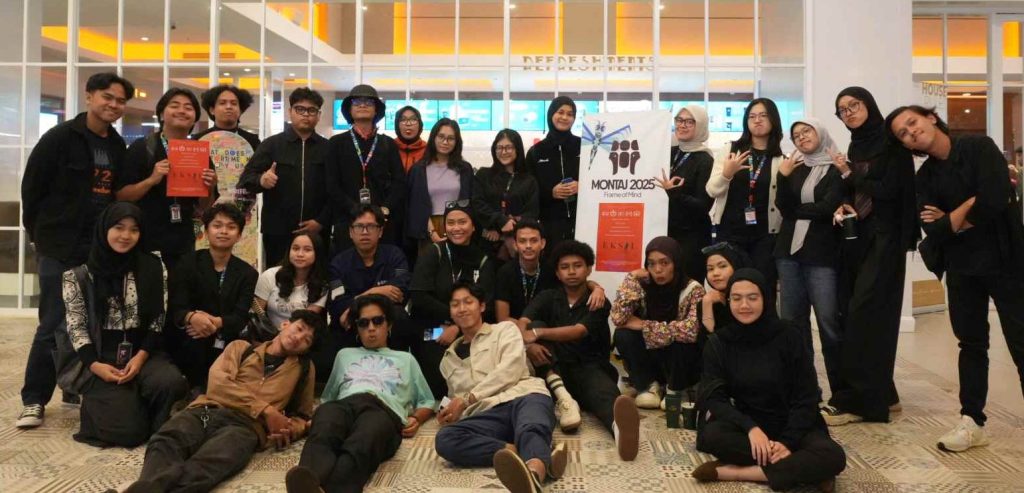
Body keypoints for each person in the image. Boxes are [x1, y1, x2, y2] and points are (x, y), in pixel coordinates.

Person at [887, 105, 1024, 452]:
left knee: (1021, 341)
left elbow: (995, 199)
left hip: (1007, 260)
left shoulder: (978, 147)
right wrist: (964, 209)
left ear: (931, 118)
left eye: (912, 122)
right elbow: (934, 231)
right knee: (971, 344)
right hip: (962, 268)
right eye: (903, 133)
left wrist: (950, 219)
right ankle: (972, 421)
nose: (911, 132)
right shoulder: (924, 177)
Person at [18, 72, 135, 428]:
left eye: (120, 101)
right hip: (60, 244)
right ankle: (34, 399)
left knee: (92, 320)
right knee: (54, 321)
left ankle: (74, 385)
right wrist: (40, 236)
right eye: (107, 97)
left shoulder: (116, 146)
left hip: (97, 248)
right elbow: (32, 189)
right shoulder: (60, 138)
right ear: (89, 96)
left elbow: (117, 194)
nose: (113, 105)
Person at [118, 310, 321, 493]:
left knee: (215, 460)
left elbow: (302, 415)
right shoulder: (240, 347)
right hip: (206, 410)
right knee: (166, 440)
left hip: (245, 426)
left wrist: (288, 429)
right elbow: (218, 384)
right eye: (299, 328)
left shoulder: (303, 369)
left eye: (307, 340)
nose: (298, 338)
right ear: (284, 324)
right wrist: (266, 410)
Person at [693, 269, 846, 492]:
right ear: (728, 301)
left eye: (752, 298)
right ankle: (804, 472)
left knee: (833, 456)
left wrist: (787, 442)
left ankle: (739, 472)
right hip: (748, 426)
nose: (744, 305)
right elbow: (714, 398)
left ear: (765, 298)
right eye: (736, 298)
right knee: (712, 436)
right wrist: (751, 428)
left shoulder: (789, 335)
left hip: (793, 422)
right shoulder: (720, 342)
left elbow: (807, 396)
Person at [821, 87, 918, 426]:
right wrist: (845, 202)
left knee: (867, 316)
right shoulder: (856, 145)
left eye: (854, 105)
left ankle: (862, 403)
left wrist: (850, 174)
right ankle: (884, 394)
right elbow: (859, 190)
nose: (848, 112)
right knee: (859, 315)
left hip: (886, 239)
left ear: (869, 105)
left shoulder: (893, 144)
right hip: (859, 239)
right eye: (842, 110)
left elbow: (890, 190)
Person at [60, 202, 187, 447]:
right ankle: (106, 407)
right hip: (101, 357)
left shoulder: (153, 266)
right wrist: (95, 365)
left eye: (134, 229)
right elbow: (77, 328)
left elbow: (157, 319)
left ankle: (140, 410)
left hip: (142, 353)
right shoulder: (78, 276)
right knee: (127, 433)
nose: (126, 236)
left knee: (170, 383)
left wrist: (140, 357)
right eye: (119, 227)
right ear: (104, 229)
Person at [285, 295, 435, 493]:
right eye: (363, 323)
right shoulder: (344, 355)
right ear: (357, 328)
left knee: (363, 439)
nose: (371, 328)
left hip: (382, 409)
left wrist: (417, 418)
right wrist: (316, 418)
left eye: (377, 321)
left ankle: (329, 489)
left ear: (389, 325)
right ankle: (309, 480)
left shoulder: (406, 359)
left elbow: (427, 400)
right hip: (344, 405)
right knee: (325, 427)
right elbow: (329, 398)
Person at [433, 282, 566, 493]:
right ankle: (521, 451)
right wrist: (446, 411)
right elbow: (454, 396)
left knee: (531, 426)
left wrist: (468, 399)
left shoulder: (505, 330)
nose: (462, 308)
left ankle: (533, 475)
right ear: (450, 311)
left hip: (524, 394)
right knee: (445, 439)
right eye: (455, 304)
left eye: (468, 302)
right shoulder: (447, 360)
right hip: (488, 413)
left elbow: (510, 370)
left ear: (482, 306)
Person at [516, 240, 641, 460]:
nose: (572, 271)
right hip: (554, 368)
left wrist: (538, 334)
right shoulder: (548, 297)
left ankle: (621, 431)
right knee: (533, 402)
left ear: (589, 268)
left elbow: (578, 331)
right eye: (565, 267)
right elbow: (523, 322)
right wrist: (530, 344)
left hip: (588, 367)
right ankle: (562, 400)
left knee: (605, 396)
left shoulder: (598, 301)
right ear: (557, 273)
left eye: (578, 265)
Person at [773, 118, 845, 397]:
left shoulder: (837, 166)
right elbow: (783, 206)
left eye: (807, 131)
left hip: (822, 255)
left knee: (828, 323)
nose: (801, 137)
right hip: (788, 253)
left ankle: (841, 392)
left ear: (820, 133)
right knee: (793, 325)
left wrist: (798, 211)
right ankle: (804, 389)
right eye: (796, 135)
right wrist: (782, 177)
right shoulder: (794, 168)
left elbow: (828, 207)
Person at [116, 88, 217, 271]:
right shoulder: (143, 148)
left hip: (183, 240)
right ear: (162, 114)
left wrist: (209, 187)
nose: (182, 111)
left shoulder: (198, 152)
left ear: (194, 118)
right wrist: (151, 180)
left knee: (180, 287)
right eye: (175, 106)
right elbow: (121, 196)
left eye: (188, 108)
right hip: (145, 238)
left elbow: (204, 208)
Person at [410, 200, 497, 397]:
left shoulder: (482, 259)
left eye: (462, 222)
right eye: (450, 223)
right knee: (438, 378)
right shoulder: (434, 252)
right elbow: (419, 296)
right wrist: (452, 320)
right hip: (433, 330)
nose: (456, 228)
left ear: (473, 226)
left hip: (469, 330)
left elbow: (487, 304)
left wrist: (457, 326)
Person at [167, 203, 258, 390]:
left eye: (231, 227)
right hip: (190, 336)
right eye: (217, 226)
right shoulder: (187, 263)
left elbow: (240, 317)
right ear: (207, 231)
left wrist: (214, 323)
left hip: (227, 339)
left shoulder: (248, 273)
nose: (223, 231)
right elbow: (176, 305)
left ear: (239, 235)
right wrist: (192, 317)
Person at [239, 87, 331, 267]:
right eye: (300, 109)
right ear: (290, 111)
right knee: (277, 276)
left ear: (319, 115)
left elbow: (335, 189)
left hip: (317, 231)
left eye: (311, 110)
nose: (306, 114)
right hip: (278, 231)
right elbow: (246, 179)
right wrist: (261, 180)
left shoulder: (328, 148)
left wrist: (321, 221)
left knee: (317, 277)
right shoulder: (272, 145)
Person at [612, 237, 706, 410]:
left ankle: (676, 390)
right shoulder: (643, 285)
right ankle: (649, 386)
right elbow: (618, 318)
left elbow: (691, 331)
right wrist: (631, 278)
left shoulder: (694, 289)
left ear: (676, 263)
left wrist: (645, 325)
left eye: (664, 263)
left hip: (680, 362)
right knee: (622, 334)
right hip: (653, 357)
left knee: (682, 341)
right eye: (651, 264)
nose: (658, 270)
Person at [706, 98, 784, 303]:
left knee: (762, 289)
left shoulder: (780, 159)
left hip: (764, 236)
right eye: (752, 116)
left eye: (763, 115)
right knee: (730, 289)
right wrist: (727, 174)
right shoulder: (731, 149)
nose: (757, 120)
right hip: (730, 233)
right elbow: (712, 190)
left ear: (774, 120)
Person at [323, 205, 411, 378]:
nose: (364, 232)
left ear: (380, 231)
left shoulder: (395, 255)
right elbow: (338, 305)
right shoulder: (338, 263)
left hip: (387, 327)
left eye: (370, 226)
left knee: (400, 316)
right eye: (359, 226)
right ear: (351, 232)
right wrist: (377, 291)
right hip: (351, 327)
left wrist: (357, 301)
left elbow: (401, 290)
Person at [325, 84, 406, 252]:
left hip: (381, 221)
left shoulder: (388, 143)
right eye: (356, 102)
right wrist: (354, 210)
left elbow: (399, 181)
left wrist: (385, 209)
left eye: (369, 102)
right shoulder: (336, 143)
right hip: (347, 220)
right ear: (349, 110)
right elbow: (331, 184)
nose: (362, 105)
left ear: (377, 110)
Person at [656, 104, 714, 283]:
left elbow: (704, 205)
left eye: (690, 121)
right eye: (679, 120)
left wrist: (676, 194)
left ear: (701, 125)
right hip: (665, 231)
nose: (682, 125)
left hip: (692, 238)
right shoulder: (669, 152)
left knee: (688, 288)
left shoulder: (705, 160)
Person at [405, 118, 474, 251]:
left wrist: (458, 227)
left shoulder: (465, 169)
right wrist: (432, 232)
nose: (445, 142)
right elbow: (415, 206)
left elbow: (470, 202)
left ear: (457, 142)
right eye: (441, 137)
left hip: (458, 229)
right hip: (428, 230)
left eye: (450, 138)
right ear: (433, 138)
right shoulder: (418, 169)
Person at [473, 129, 540, 261]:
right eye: (499, 148)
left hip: (516, 246)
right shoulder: (483, 175)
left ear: (517, 149)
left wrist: (509, 226)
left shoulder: (529, 180)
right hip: (486, 244)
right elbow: (477, 203)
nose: (503, 152)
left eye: (509, 147)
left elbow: (532, 212)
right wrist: (499, 221)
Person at [526, 96, 581, 245]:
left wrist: (581, 186)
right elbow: (529, 190)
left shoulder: (584, 146)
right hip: (550, 222)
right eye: (560, 112)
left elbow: (599, 179)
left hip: (582, 219)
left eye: (570, 114)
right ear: (551, 114)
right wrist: (551, 193)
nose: (565, 117)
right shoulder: (536, 151)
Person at [255, 233, 328, 329]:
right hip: (267, 333)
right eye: (295, 249)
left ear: (317, 253)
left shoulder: (321, 285)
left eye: (307, 250)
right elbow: (257, 314)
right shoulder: (270, 275)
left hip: (299, 334)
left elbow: (306, 321)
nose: (300, 254)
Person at [494, 220, 557, 322]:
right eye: (522, 241)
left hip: (544, 328)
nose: (528, 246)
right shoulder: (505, 272)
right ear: (515, 245)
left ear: (542, 243)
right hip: (512, 329)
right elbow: (502, 318)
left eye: (534, 241)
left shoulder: (552, 271)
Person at [699, 242, 751, 334]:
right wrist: (707, 305)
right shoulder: (708, 301)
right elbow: (707, 340)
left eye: (723, 266)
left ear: (736, 266)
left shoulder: (752, 297)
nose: (715, 273)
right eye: (710, 269)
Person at [193, 84, 260, 150]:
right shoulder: (198, 140)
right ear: (212, 110)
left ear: (240, 110)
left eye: (234, 103)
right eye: (222, 103)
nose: (229, 107)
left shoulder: (252, 141)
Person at [394, 105, 427, 173]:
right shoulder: (389, 148)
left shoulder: (428, 151)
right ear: (397, 125)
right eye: (403, 120)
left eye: (413, 119)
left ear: (420, 124)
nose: (408, 124)